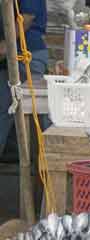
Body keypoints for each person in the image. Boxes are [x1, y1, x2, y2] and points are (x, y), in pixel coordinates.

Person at [0, 0, 48, 156]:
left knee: (29, 110)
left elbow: (27, 17)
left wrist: (6, 45)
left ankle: (40, 166)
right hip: (13, 54)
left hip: (26, 55)